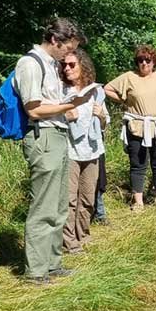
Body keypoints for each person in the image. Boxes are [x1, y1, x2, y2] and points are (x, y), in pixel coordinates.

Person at [14, 18, 92, 284]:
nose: (67, 54)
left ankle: (52, 263)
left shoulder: (50, 64)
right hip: (42, 137)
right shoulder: (30, 63)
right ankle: (35, 271)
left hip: (58, 136)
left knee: (59, 205)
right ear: (55, 41)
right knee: (43, 205)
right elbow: (33, 108)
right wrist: (68, 105)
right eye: (67, 47)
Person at [105, 45, 156, 209]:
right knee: (138, 164)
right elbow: (107, 88)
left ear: (153, 61)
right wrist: (124, 100)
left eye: (147, 60)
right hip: (137, 126)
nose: (144, 63)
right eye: (140, 60)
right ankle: (138, 202)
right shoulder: (129, 77)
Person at [61, 48, 108, 254]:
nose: (67, 68)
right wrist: (66, 117)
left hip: (92, 150)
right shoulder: (61, 91)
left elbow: (105, 121)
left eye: (72, 64)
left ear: (83, 66)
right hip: (69, 150)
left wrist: (101, 116)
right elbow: (51, 121)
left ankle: (83, 235)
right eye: (65, 65)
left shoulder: (96, 91)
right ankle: (69, 242)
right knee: (69, 199)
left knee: (88, 197)